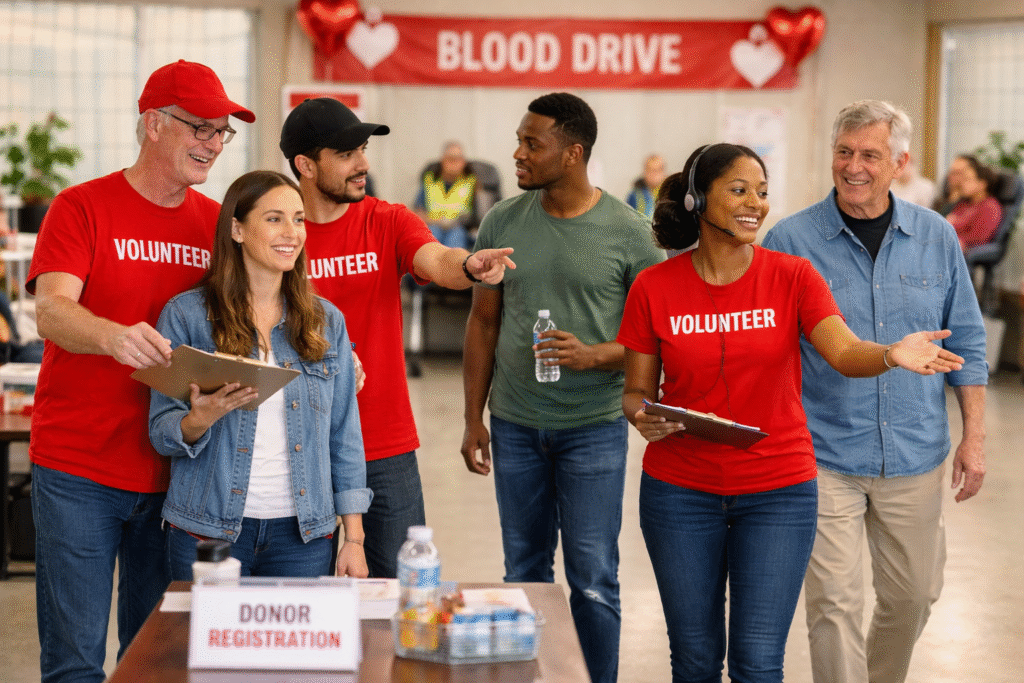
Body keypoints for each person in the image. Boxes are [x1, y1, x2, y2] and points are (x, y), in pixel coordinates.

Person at [618, 142, 964, 683]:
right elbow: (636, 391)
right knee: (694, 659)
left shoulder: (793, 276)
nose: (755, 203)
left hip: (777, 492)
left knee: (758, 663)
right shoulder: (654, 287)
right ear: (697, 199)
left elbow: (844, 351)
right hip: (680, 492)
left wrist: (890, 353)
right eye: (739, 190)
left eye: (761, 192)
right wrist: (643, 416)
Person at [26, 60, 253, 683]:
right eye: (200, 127)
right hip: (79, 469)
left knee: (153, 659)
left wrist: (328, 349)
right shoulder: (81, 207)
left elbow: (260, 308)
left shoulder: (215, 224)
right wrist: (113, 337)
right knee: (74, 662)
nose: (213, 143)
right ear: (153, 124)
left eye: (221, 131)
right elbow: (50, 311)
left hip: (176, 473)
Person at [762, 100, 988, 683]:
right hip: (823, 453)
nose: (853, 166)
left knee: (913, 597)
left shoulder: (936, 236)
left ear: (900, 164)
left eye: (869, 154)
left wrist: (974, 439)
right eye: (844, 152)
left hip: (914, 451)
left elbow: (967, 341)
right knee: (834, 605)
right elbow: (766, 350)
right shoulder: (790, 240)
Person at [461, 92, 664, 683]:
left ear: (572, 153)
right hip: (516, 425)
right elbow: (484, 321)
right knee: (524, 572)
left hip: (593, 430)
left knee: (593, 576)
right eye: (519, 141)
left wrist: (596, 354)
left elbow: (657, 339)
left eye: (533, 143)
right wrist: (474, 418)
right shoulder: (502, 222)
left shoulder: (630, 233)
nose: (518, 154)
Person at [279, 97, 514, 578]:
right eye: (346, 154)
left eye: (363, 151)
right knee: (305, 595)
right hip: (295, 445)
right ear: (305, 165)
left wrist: (470, 265)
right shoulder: (278, 233)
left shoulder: (386, 221)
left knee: (400, 592)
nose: (363, 164)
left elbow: (437, 259)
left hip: (383, 443)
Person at [149, 171, 371, 579]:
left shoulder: (326, 322)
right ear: (237, 229)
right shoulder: (187, 316)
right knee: (205, 626)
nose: (291, 232)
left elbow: (344, 435)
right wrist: (199, 419)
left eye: (298, 219)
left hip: (304, 537)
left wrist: (354, 539)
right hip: (207, 530)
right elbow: (162, 430)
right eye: (274, 219)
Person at [413, 140, 477, 249]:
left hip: (459, 227)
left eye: (458, 159)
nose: (454, 162)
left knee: (455, 238)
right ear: (442, 160)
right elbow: (417, 213)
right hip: (432, 226)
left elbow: (478, 215)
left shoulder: (472, 182)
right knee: (431, 238)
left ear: (464, 162)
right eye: (450, 158)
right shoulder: (430, 180)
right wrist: (438, 221)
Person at [944, 154, 1003, 250]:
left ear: (982, 184)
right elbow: (947, 223)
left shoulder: (990, 208)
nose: (962, 184)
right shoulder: (964, 204)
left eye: (967, 180)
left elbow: (977, 239)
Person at [626, 153, 667, 219]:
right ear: (645, 171)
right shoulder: (634, 196)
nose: (654, 174)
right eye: (650, 170)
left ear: (663, 171)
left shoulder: (671, 194)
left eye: (657, 170)